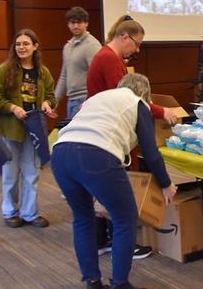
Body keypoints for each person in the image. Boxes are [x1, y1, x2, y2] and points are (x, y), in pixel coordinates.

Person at [53, 73, 177, 289]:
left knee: (83, 218)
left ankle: (92, 281)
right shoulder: (138, 103)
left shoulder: (97, 98)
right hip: (97, 154)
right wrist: (166, 184)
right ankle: (120, 283)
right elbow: (151, 152)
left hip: (61, 153)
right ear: (143, 94)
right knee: (125, 218)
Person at [86, 15, 172, 260]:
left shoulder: (106, 56)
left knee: (101, 194)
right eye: (136, 43)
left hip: (100, 137)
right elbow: (132, 102)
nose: (137, 50)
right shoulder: (109, 59)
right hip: (113, 138)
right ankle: (122, 244)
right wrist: (162, 111)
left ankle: (102, 240)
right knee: (120, 194)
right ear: (124, 36)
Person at [0, 29, 57, 228]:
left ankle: (30, 212)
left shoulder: (43, 72)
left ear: (35, 47)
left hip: (34, 128)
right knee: (10, 173)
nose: (21, 47)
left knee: (32, 171)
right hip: (11, 129)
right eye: (18, 44)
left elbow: (51, 96)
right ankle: (10, 211)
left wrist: (47, 104)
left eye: (26, 43)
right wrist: (13, 108)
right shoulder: (4, 69)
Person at [55, 6, 102, 119]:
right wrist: (54, 101)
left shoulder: (92, 45)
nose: (75, 26)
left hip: (85, 100)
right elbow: (64, 76)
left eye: (79, 22)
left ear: (86, 23)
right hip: (71, 100)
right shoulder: (67, 46)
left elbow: (98, 76)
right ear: (68, 24)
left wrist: (90, 101)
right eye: (72, 22)